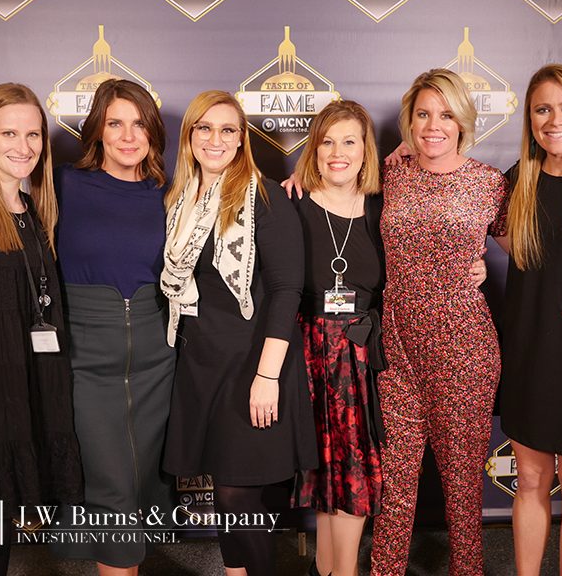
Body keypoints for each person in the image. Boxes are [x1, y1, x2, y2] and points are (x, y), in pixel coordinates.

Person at [161, 90, 317, 576]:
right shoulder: (179, 198)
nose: (216, 139)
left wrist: (266, 376)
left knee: (238, 496)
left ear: (241, 139)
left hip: (253, 364)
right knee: (225, 493)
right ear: (189, 136)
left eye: (228, 129)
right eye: (204, 128)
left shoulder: (264, 196)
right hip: (201, 364)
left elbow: (287, 290)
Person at [371, 68, 508, 576]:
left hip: (465, 352)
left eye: (446, 115)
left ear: (463, 121)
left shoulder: (489, 183)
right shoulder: (391, 173)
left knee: (464, 493)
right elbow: (331, 175)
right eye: (424, 114)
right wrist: (300, 177)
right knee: (394, 487)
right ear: (409, 120)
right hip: (398, 350)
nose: (434, 126)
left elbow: (531, 251)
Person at [54, 79, 176, 576]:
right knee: (109, 489)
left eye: (139, 124)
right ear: (97, 132)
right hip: (86, 359)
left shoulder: (170, 194)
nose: (128, 136)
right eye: (115, 124)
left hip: (156, 362)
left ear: (153, 132)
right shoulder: (62, 184)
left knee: (139, 487)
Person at [0, 83, 83, 575]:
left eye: (34, 134)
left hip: (26, 392)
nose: (24, 146)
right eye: (9, 133)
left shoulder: (35, 212)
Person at [289, 100, 386, 576]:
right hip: (307, 352)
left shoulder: (385, 207)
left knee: (354, 472)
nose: (337, 152)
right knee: (324, 472)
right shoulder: (292, 203)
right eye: (326, 142)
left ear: (367, 150)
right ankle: (325, 569)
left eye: (349, 141)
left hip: (360, 356)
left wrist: (472, 266)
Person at [500, 63, 562, 576]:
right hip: (530, 345)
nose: (555, 120)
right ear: (529, 119)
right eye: (542, 109)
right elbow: (440, 178)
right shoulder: (515, 182)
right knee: (529, 480)